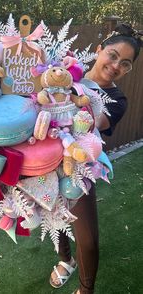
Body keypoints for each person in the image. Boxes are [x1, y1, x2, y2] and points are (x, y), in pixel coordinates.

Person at [49, 23, 143, 294]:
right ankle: (66, 260)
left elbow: (92, 122)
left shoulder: (117, 99)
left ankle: (86, 290)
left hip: (80, 168)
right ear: (99, 50)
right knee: (54, 217)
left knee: (87, 241)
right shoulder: (67, 71)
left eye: (125, 64)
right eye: (112, 55)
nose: (115, 66)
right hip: (47, 160)